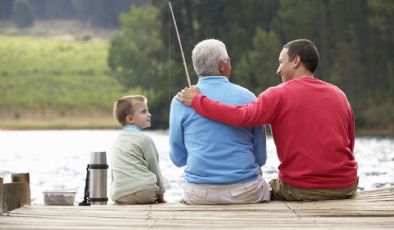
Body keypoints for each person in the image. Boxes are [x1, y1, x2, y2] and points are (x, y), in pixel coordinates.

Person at [177, 39, 358, 201]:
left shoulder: (278, 94)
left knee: (268, 187)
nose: (278, 69)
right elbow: (349, 144)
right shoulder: (339, 94)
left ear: (296, 61)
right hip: (346, 186)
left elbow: (241, 116)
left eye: (281, 62)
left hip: (300, 189)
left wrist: (198, 101)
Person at [169, 39, 270, 204]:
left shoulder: (179, 100)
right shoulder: (248, 97)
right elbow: (261, 158)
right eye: (229, 61)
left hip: (199, 194)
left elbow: (178, 159)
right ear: (223, 65)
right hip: (245, 192)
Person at [109, 95, 166, 204]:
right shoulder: (145, 139)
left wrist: (115, 191)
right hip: (145, 192)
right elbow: (154, 167)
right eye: (144, 112)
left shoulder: (116, 141)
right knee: (148, 187)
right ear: (130, 119)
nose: (149, 114)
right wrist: (161, 195)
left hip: (121, 195)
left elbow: (115, 171)